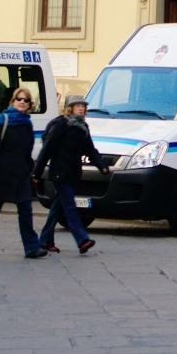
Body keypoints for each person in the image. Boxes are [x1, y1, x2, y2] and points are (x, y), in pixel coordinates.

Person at [0, 88, 47, 258]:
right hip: (1, 173)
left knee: (26, 210)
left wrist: (32, 172)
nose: (22, 102)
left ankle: (31, 248)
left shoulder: (27, 124)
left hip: (21, 173)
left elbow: (26, 152)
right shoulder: (3, 119)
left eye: (26, 100)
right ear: (13, 101)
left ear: (29, 105)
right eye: (19, 99)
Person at [33, 94, 107, 255]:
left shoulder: (83, 127)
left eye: (83, 106)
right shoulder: (61, 125)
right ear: (70, 108)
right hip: (59, 173)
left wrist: (102, 166)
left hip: (72, 173)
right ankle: (82, 240)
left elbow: (90, 149)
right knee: (70, 207)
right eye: (77, 106)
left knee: (57, 208)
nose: (81, 108)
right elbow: (47, 149)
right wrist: (36, 172)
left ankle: (45, 240)